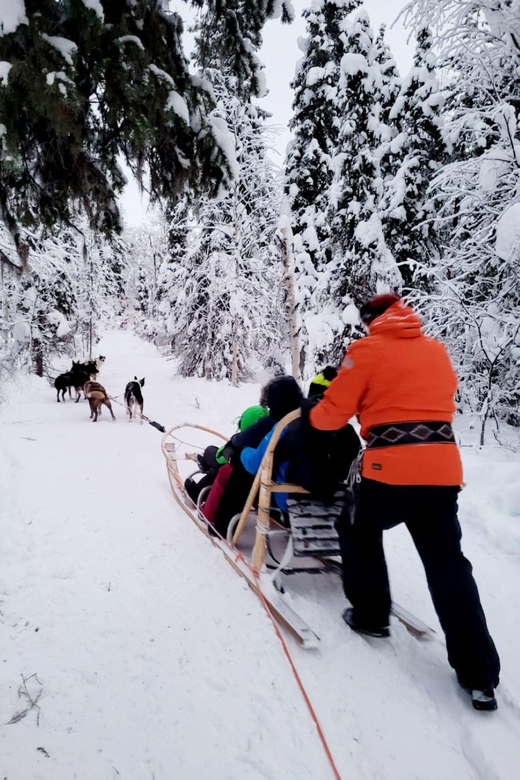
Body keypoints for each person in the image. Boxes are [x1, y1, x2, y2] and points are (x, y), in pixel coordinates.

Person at [309, 293, 500, 711]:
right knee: (448, 565)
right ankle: (479, 673)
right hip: (442, 472)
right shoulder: (436, 350)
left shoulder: (365, 350)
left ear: (372, 319)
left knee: (357, 526)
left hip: (389, 471)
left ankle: (371, 616)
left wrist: (316, 413)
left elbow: (331, 415)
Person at [212, 376, 303, 536]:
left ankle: (222, 525)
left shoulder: (280, 427)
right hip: (319, 493)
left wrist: (243, 452)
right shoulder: (308, 421)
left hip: (284, 494)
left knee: (243, 465)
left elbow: (255, 463)